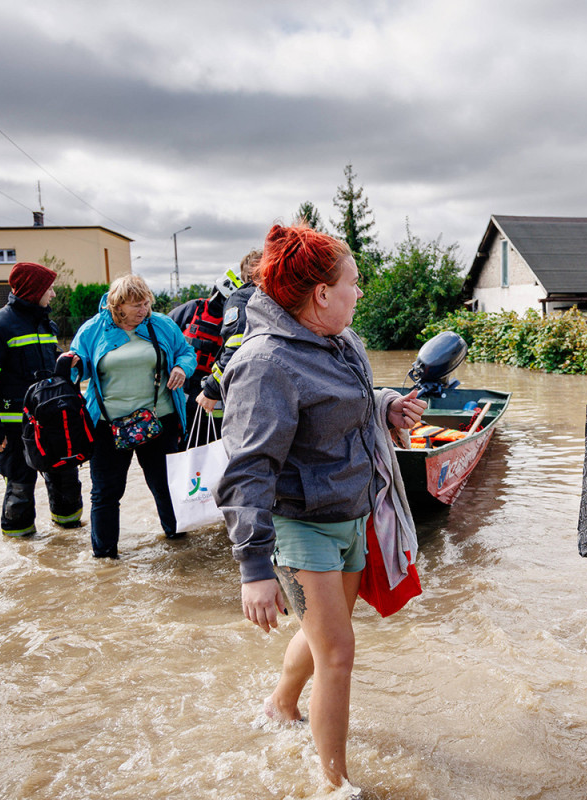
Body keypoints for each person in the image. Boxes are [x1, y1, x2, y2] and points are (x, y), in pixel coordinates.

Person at [216, 224, 426, 791]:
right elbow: (247, 472)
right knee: (339, 653)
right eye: (353, 283)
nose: (360, 293)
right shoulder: (266, 365)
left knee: (322, 636)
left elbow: (347, 401)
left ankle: (280, 706)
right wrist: (254, 571)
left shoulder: (344, 341)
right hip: (297, 524)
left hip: (350, 514)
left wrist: (384, 406)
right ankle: (336, 785)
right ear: (321, 295)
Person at [70, 274, 197, 558]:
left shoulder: (161, 324)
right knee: (105, 493)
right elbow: (77, 370)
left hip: (159, 421)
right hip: (107, 427)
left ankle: (180, 547)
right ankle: (104, 559)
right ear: (118, 306)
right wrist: (70, 367)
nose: (144, 310)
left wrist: (181, 368)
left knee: (165, 487)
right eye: (137, 305)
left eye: (147, 303)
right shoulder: (93, 330)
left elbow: (186, 352)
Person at [0, 261, 83, 536]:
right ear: (33, 290)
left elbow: (43, 367)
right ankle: (22, 550)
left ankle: (71, 538)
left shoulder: (46, 324)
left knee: (66, 480)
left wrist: (64, 362)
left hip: (50, 423)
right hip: (13, 427)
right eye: (49, 288)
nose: (53, 294)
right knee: (20, 487)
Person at [167, 267, 243, 443]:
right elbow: (164, 336)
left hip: (215, 386)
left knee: (213, 437)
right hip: (184, 383)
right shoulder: (191, 309)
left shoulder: (236, 320)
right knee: (183, 437)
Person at [194, 250, 262, 418]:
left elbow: (236, 348)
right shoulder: (291, 297)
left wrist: (210, 389)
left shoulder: (241, 298)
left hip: (251, 392)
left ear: (247, 276)